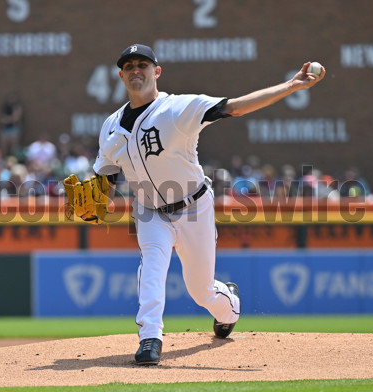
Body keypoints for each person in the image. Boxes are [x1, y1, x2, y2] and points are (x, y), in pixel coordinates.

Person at [85, 44, 325, 365]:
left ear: (157, 72)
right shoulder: (111, 126)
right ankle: (150, 338)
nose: (135, 70)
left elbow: (235, 107)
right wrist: (95, 200)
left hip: (193, 207)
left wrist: (290, 86)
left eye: (143, 64)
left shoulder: (178, 109)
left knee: (201, 291)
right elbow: (106, 174)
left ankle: (229, 306)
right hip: (149, 212)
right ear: (121, 75)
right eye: (128, 66)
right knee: (152, 269)